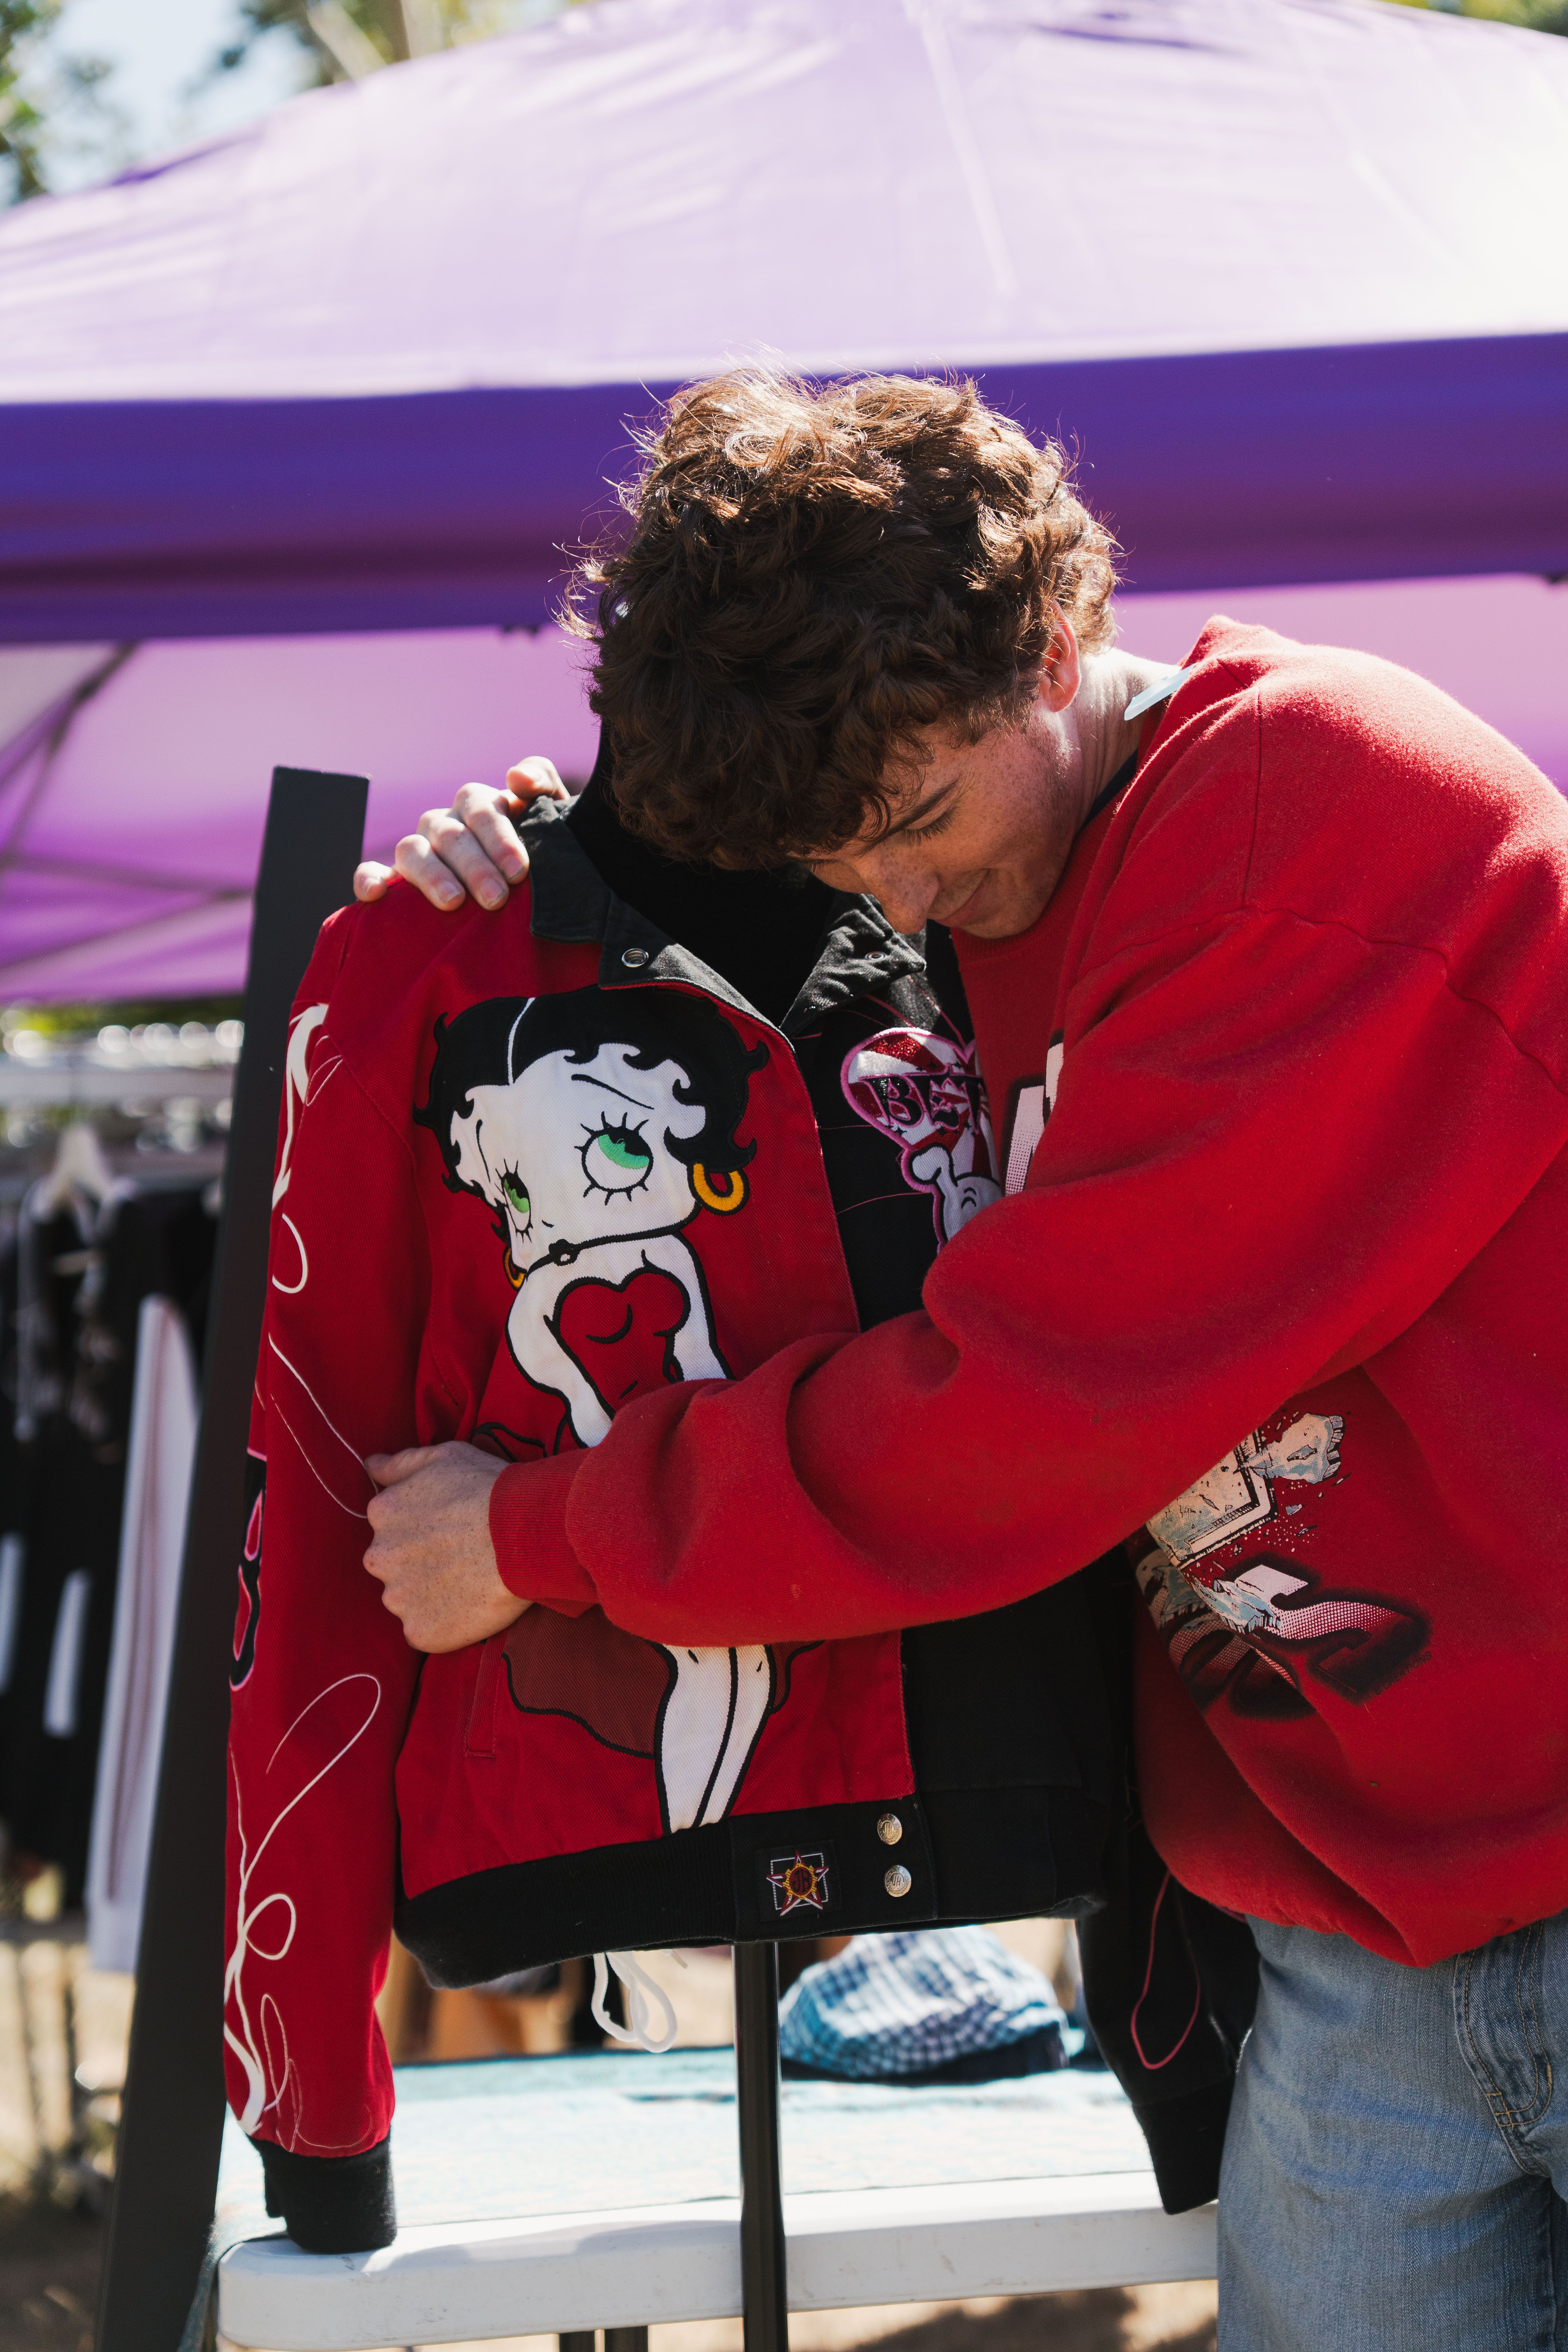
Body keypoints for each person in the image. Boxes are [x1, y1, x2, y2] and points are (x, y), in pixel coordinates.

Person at [361, 369, 1568, 2348]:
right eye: (845, 857)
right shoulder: (994, 866)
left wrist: (547, 1532)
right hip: (1356, 1921)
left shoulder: (1305, 818)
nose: (900, 892)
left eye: (919, 818)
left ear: (1058, 644)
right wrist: (529, 873)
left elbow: (1020, 1415)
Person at [228, 692, 1251, 2256]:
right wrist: (314, 2111)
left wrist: (1194, 2055)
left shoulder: (995, 914)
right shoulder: (431, 960)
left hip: (1023, 1792)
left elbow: (1150, 1448)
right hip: (570, 1824)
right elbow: (303, 1509)